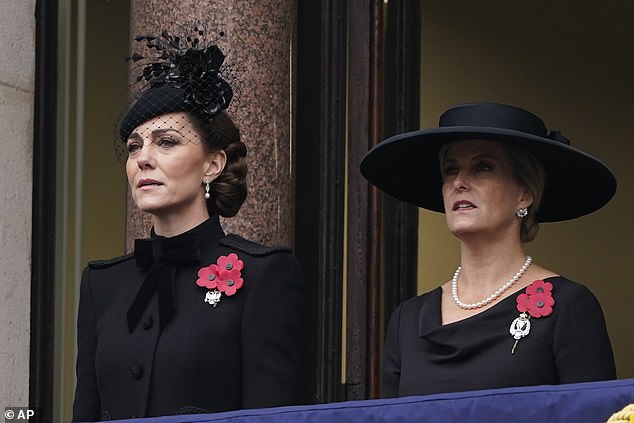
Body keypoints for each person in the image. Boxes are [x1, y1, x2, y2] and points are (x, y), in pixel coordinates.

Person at [72, 32, 305, 421]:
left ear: (211, 165)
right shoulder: (102, 284)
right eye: (134, 146)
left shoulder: (265, 275)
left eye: (166, 142)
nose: (143, 158)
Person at [360, 102, 617, 397]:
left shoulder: (568, 307)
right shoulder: (407, 320)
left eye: (482, 167)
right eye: (450, 169)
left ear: (525, 193)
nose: (459, 182)